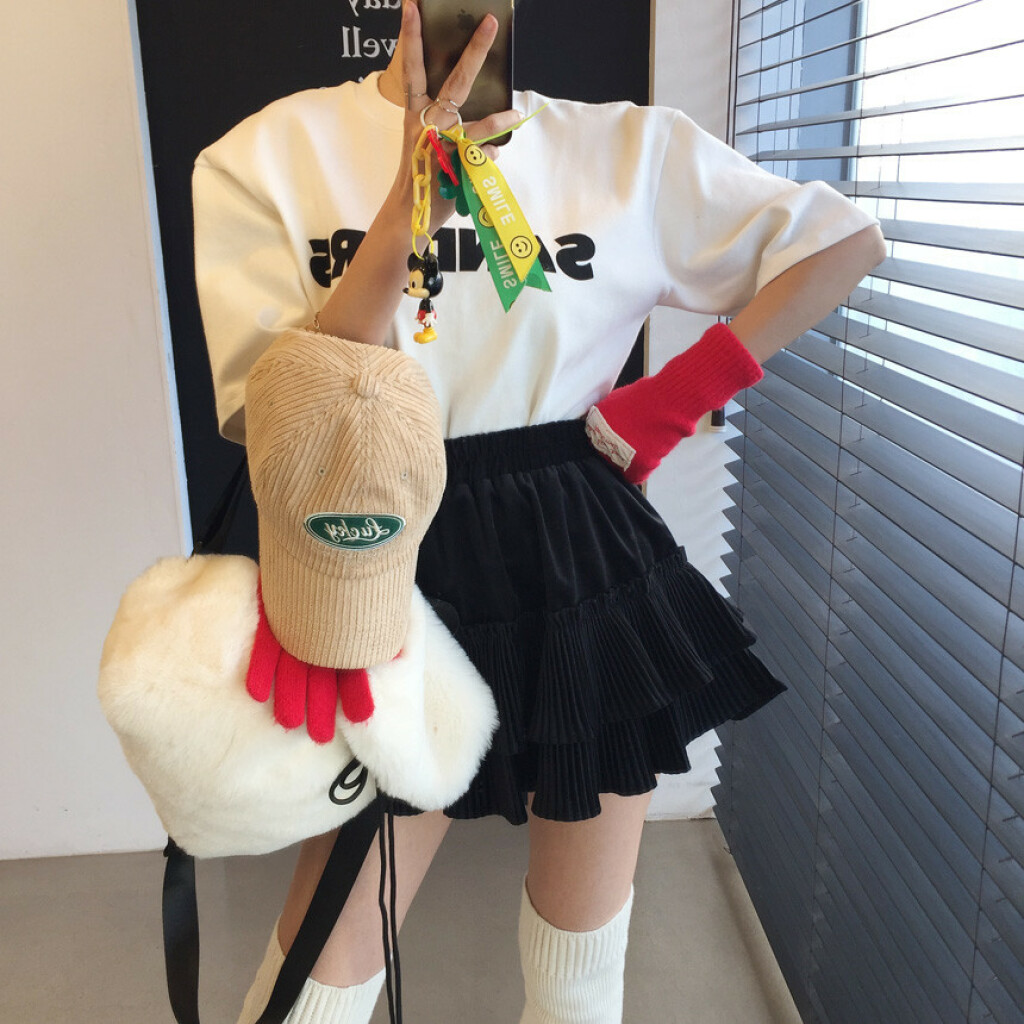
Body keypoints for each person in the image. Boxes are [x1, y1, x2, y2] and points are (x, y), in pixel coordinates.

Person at [193, 4, 886, 1022]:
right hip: (378, 554)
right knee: (314, 985)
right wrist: (408, 209)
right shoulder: (267, 155)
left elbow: (843, 242)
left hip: (578, 554)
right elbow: (276, 413)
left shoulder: (626, 150)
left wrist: (665, 402)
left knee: (580, 979)